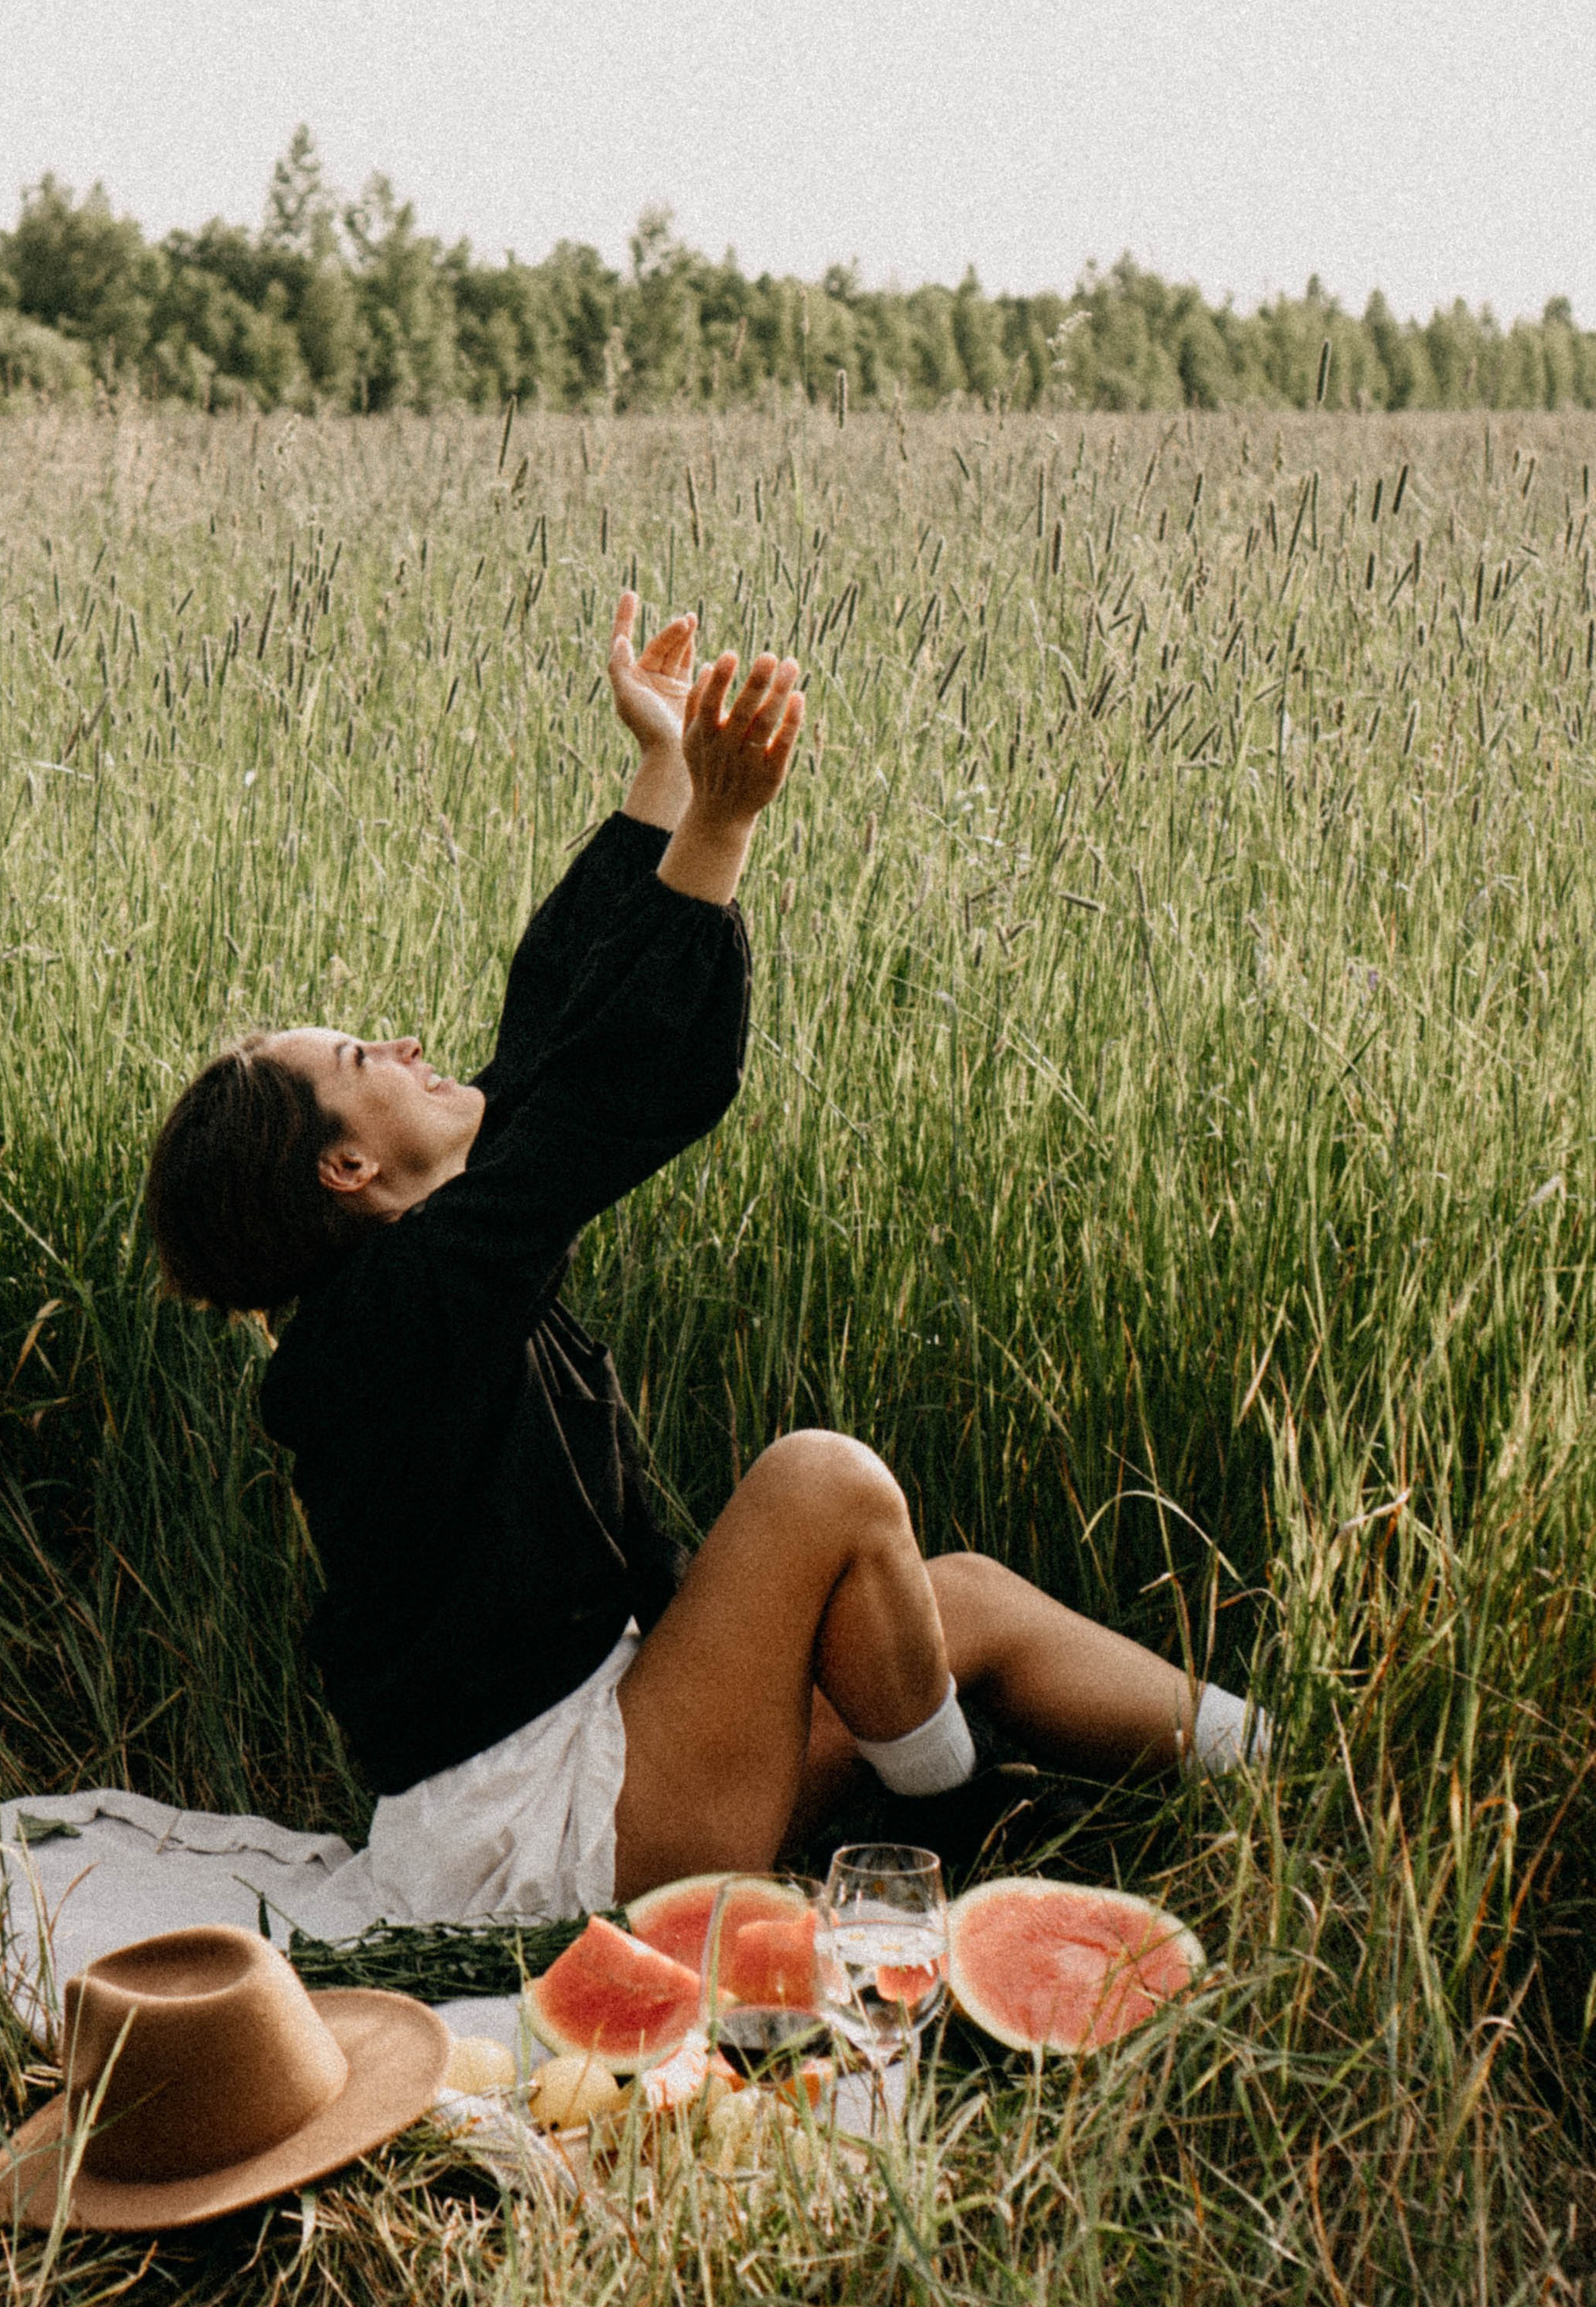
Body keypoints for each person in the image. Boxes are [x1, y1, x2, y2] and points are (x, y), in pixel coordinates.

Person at [145, 595, 1264, 1927]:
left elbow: (553, 1031)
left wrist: (667, 768)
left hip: (628, 1748)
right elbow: (608, 1098)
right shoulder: (390, 1319)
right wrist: (724, 828)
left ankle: (1293, 1772)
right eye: (356, 1062)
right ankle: (959, 1829)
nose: (397, 1046)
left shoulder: (425, 1268)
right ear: (346, 1172)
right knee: (820, 1484)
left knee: (950, 1602)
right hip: (544, 1837)